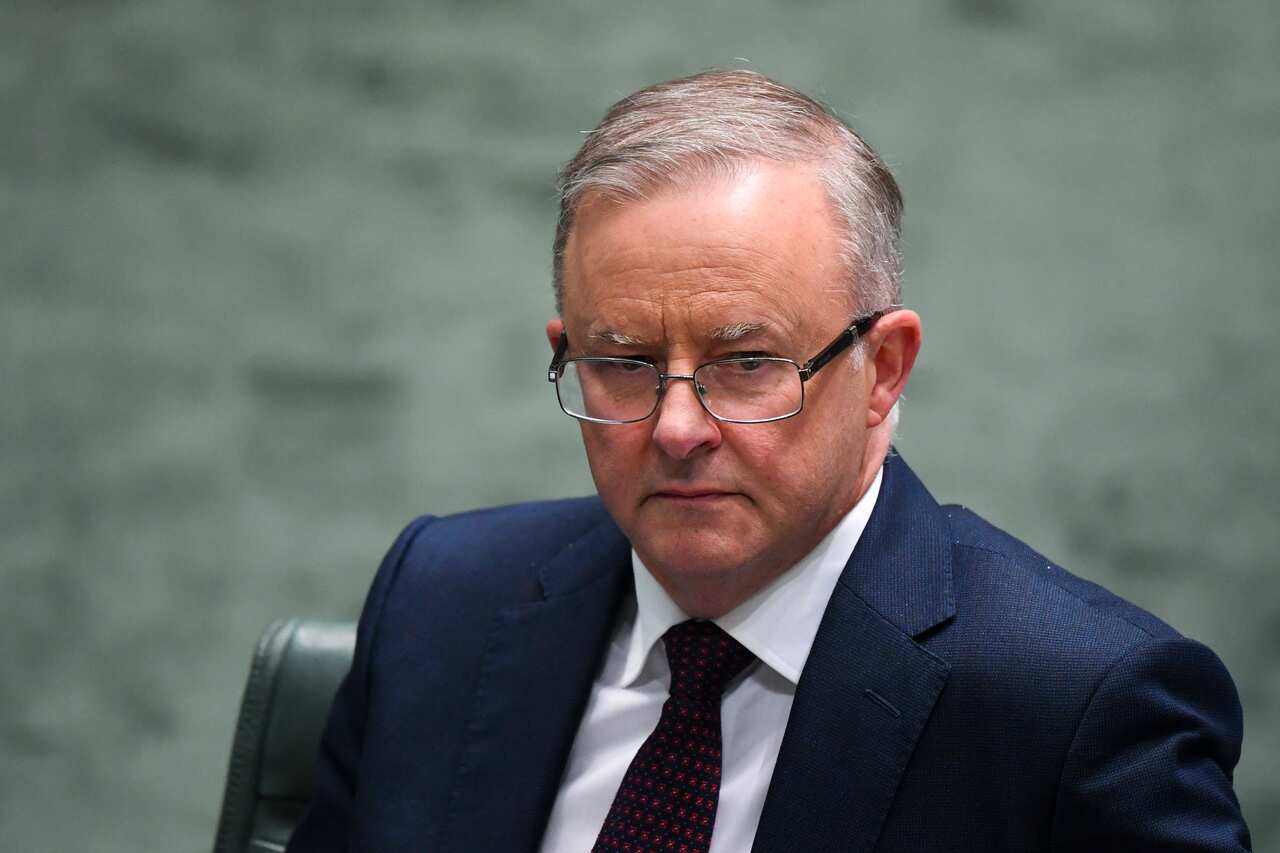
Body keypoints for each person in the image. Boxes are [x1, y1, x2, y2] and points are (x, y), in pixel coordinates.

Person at [286, 70, 1251, 852]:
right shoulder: (440, 602)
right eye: (620, 363)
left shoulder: (1076, 703)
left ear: (883, 369)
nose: (675, 428)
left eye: (746, 364)